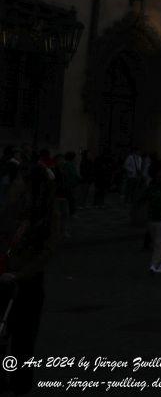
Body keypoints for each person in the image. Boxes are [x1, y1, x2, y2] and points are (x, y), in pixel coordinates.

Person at [0, 151, 60, 394]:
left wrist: (21, 274)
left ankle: (19, 383)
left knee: (23, 341)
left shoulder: (48, 214)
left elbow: (47, 251)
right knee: (4, 335)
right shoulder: (14, 208)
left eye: (23, 182)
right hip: (5, 277)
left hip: (27, 283)